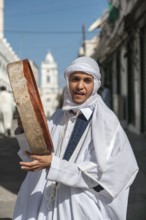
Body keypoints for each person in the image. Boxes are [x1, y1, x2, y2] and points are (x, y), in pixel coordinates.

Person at [13, 56, 138, 220]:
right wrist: (25, 129)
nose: (80, 86)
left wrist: (54, 164)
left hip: (79, 207)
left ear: (95, 85)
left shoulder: (106, 122)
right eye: (75, 79)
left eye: (87, 80)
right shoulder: (58, 117)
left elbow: (106, 173)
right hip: (45, 203)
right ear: (68, 81)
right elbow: (38, 152)